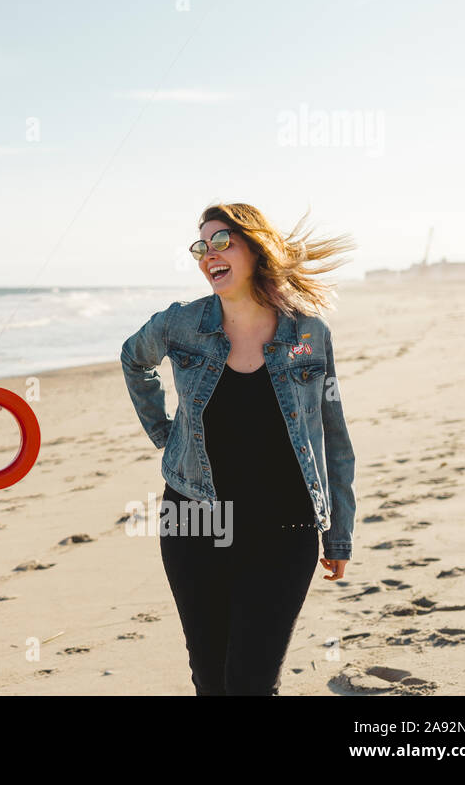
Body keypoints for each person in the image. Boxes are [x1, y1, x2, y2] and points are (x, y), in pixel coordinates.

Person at [119, 202, 358, 695]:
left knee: (249, 682)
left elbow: (333, 436)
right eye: (201, 247)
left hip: (283, 527)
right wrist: (168, 435)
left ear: (255, 246)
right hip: (194, 520)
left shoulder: (308, 333)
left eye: (222, 241)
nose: (210, 254)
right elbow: (133, 360)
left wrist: (338, 532)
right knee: (210, 679)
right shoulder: (180, 325)